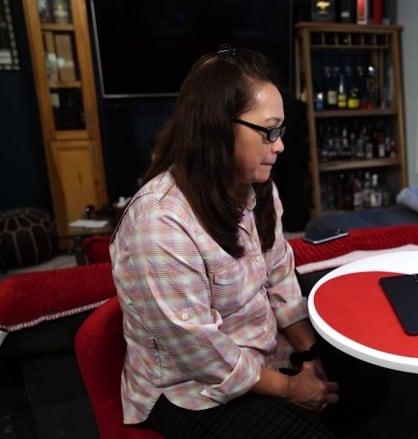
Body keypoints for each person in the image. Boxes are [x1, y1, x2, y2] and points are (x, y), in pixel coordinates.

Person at [109, 45, 384, 439]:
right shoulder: (160, 222)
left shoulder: (255, 186)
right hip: (191, 390)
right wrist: (291, 388)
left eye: (281, 131)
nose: (280, 145)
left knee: (368, 382)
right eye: (269, 131)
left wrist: (309, 356)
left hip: (263, 352)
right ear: (217, 127)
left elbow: (279, 274)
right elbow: (202, 355)